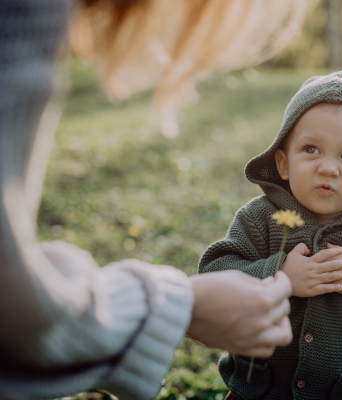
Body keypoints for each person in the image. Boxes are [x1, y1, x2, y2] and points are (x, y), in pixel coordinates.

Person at [0, 0, 315, 398]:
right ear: (283, 161)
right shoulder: (22, 17)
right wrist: (189, 301)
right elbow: (16, 316)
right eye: (311, 150)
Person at [198, 66, 342, 400]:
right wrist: (280, 275)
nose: (327, 167)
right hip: (261, 389)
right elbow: (213, 275)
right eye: (311, 149)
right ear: (283, 163)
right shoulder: (262, 216)